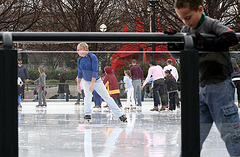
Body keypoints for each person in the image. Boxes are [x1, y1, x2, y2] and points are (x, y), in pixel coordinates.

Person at [171, 0, 240, 155]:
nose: (186, 22)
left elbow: (232, 38)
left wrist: (206, 42)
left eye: (188, 17)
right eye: (182, 18)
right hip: (200, 88)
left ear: (200, 9)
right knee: (193, 135)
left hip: (220, 85)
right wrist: (172, 44)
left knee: (232, 134)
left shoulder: (211, 24)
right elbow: (179, 54)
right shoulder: (186, 29)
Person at [76, 42, 127, 122]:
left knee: (106, 97)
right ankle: (87, 114)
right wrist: (78, 84)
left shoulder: (92, 57)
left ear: (84, 49)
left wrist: (92, 84)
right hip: (85, 80)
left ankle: (120, 115)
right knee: (87, 96)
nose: (77, 51)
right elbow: (79, 73)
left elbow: (95, 71)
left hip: (96, 81)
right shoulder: (80, 60)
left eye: (78, 49)